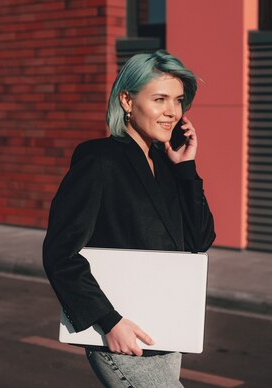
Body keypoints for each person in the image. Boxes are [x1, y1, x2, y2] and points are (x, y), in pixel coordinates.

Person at [42, 50, 216, 387]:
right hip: (123, 335)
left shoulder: (166, 164)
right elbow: (60, 253)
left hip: (166, 329)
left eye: (178, 100)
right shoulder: (99, 160)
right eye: (160, 99)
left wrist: (186, 169)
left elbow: (199, 241)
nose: (173, 112)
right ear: (127, 100)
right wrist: (109, 321)